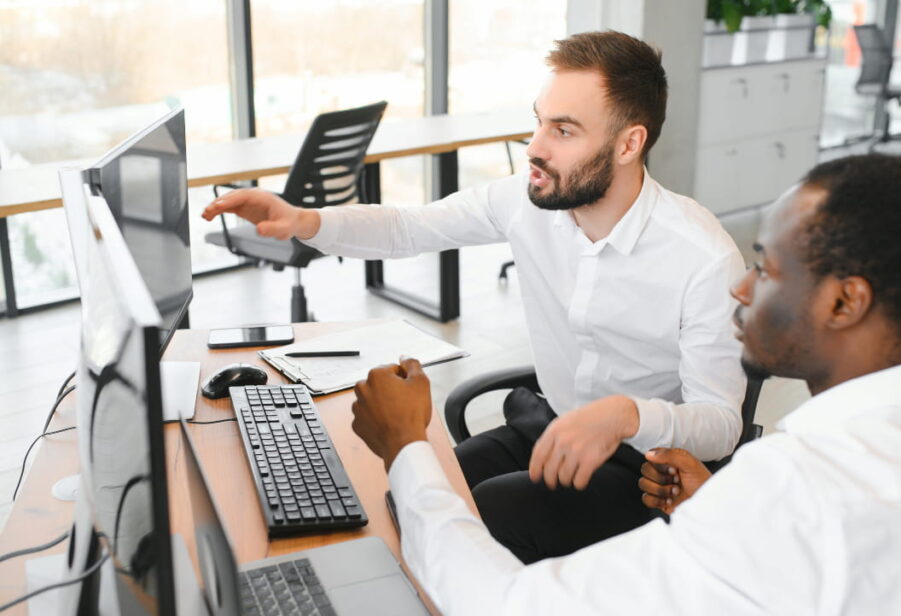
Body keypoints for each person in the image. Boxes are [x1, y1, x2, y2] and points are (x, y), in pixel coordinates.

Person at [349, 154, 901, 616]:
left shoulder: (796, 490)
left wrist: (409, 443)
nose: (740, 285)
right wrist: (716, 507)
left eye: (766, 266)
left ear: (845, 302)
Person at [203, 30, 746, 561]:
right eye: (539, 122)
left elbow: (721, 423)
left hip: (645, 467)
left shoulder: (701, 257)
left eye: (564, 130)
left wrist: (627, 415)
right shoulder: (524, 201)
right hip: (549, 423)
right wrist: (305, 220)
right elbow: (408, 228)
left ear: (629, 143)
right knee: (415, 495)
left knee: (479, 517)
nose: (534, 147)